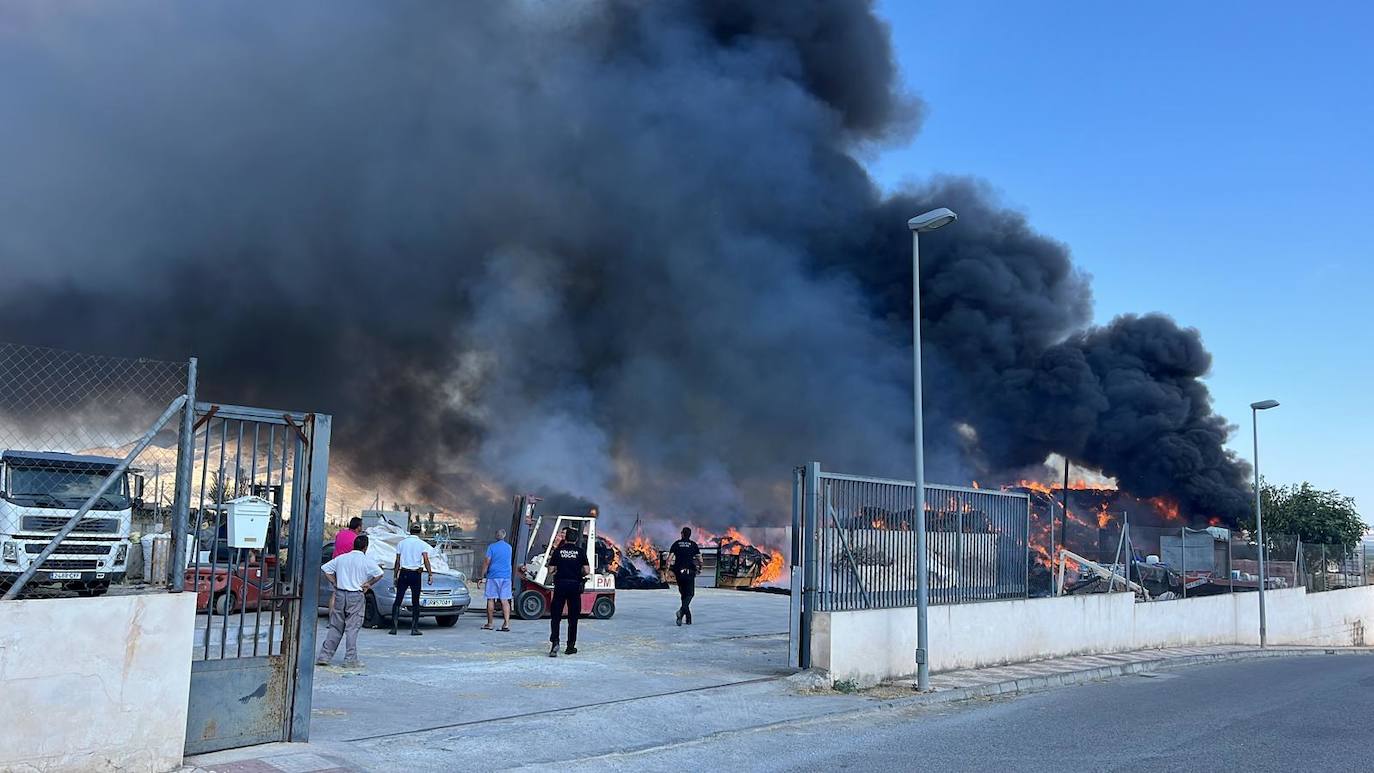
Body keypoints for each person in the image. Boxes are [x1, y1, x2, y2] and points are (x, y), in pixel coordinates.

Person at [317, 534, 383, 668]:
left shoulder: (342, 558)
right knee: (352, 628)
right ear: (365, 547)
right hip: (356, 595)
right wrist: (368, 584)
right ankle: (350, 659)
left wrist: (335, 582)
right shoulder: (366, 561)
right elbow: (379, 573)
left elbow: (325, 569)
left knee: (336, 627)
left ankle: (325, 656)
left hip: (340, 594)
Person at [547, 526, 589, 657]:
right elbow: (587, 571)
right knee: (573, 617)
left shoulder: (558, 551)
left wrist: (558, 569)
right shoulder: (580, 552)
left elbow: (550, 570)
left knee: (556, 616)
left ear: (565, 538)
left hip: (560, 585)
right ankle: (570, 646)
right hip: (575, 586)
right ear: (576, 539)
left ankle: (555, 643)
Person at [390, 523, 433, 636]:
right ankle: (414, 628)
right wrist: (430, 574)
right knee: (415, 602)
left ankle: (394, 628)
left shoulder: (402, 543)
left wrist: (395, 575)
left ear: (410, 531)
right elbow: (426, 560)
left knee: (398, 600)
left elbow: (397, 561)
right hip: (416, 574)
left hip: (404, 573)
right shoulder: (422, 544)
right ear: (420, 532)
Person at [477, 528, 514, 631]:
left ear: (495, 536)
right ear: (504, 535)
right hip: (506, 577)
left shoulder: (492, 547)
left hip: (493, 576)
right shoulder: (509, 547)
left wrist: (482, 576)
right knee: (505, 600)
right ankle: (506, 624)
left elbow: (487, 561)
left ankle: (490, 624)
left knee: (491, 599)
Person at [669, 527, 702, 626]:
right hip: (690, 572)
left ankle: (688, 619)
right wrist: (700, 568)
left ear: (682, 534)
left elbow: (669, 559)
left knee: (684, 595)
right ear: (689, 535)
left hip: (678, 572)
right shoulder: (693, 545)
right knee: (690, 594)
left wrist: (667, 570)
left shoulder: (676, 544)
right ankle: (681, 612)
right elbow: (700, 559)